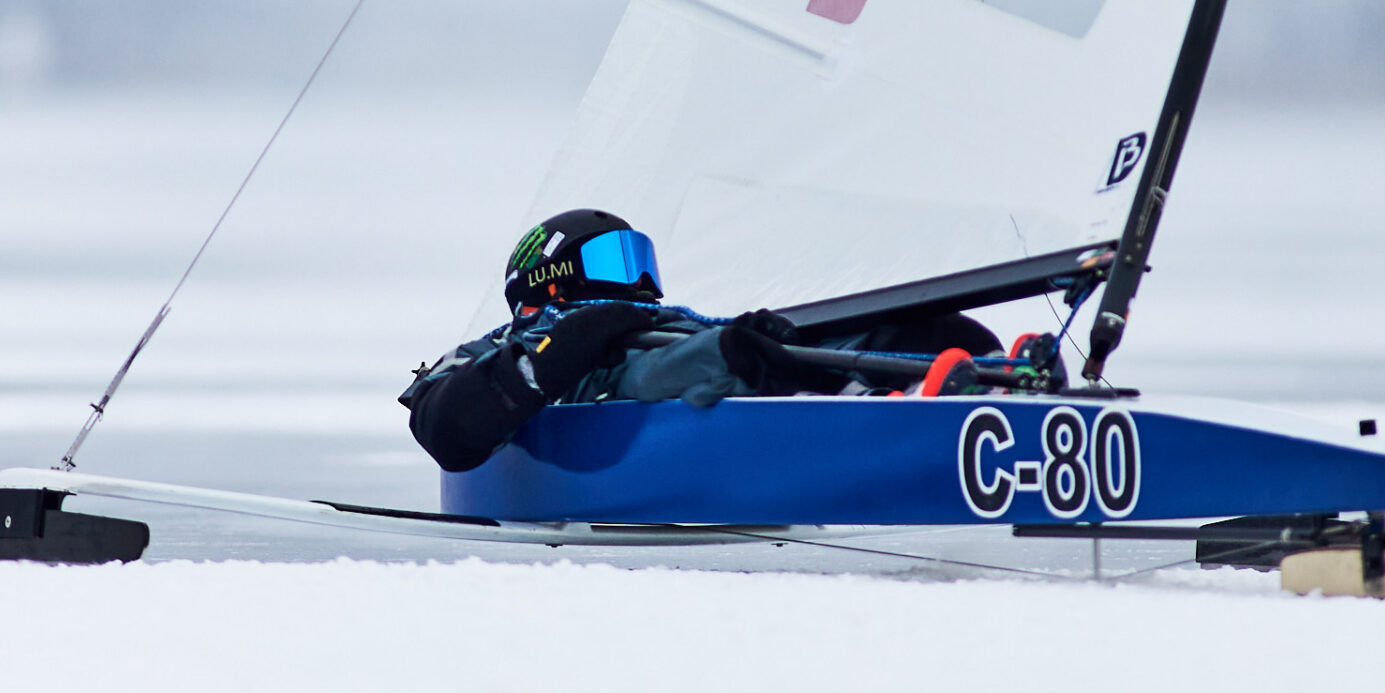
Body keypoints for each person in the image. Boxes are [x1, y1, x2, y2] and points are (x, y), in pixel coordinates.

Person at [402, 208, 1000, 472]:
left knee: (771, 342)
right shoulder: (515, 336)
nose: (635, 276)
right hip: (611, 391)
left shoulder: (661, 318)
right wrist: (566, 344)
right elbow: (442, 427)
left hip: (682, 355)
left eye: (640, 258)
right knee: (710, 360)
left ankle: (972, 375)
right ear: (548, 276)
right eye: (613, 258)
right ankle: (883, 414)